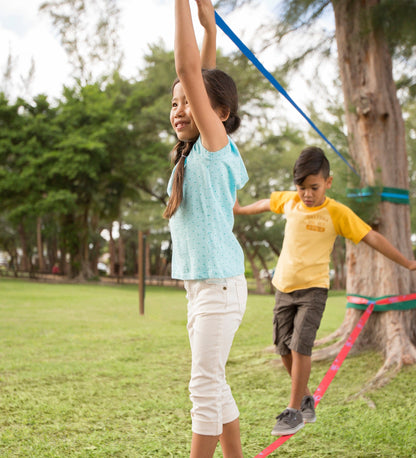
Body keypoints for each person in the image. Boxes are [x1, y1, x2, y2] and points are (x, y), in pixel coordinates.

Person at [233, 146, 416, 436]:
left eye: (314, 187)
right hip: (283, 287)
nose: (307, 193)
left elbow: (372, 237)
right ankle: (306, 397)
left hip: (314, 290)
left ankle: (293, 412)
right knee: (283, 349)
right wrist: (241, 209)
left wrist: (407, 262)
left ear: (328, 183)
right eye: (302, 187)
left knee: (300, 345)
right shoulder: (291, 201)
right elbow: (267, 203)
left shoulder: (336, 212)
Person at [164, 1, 248, 456]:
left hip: (218, 286)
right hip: (202, 287)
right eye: (174, 102)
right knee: (215, 384)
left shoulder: (216, 149)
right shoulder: (195, 151)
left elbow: (191, 70)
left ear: (219, 113)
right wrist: (208, 28)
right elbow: (201, 74)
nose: (179, 110)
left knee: (203, 388)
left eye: (188, 102)